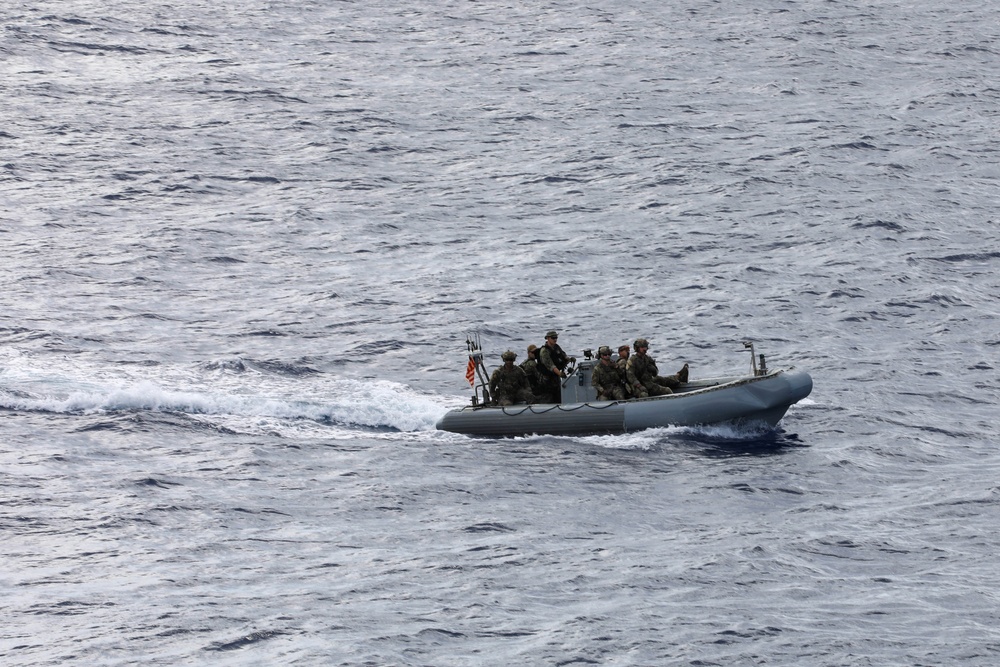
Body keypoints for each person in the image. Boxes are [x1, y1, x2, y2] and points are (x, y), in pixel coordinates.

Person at [537, 330, 573, 403]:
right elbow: (550, 365)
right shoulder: (544, 351)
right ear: (548, 338)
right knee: (549, 398)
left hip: (555, 377)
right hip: (547, 379)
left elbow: (563, 355)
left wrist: (570, 359)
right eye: (553, 338)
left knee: (558, 396)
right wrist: (559, 374)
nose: (555, 339)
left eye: (556, 337)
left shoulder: (556, 347)